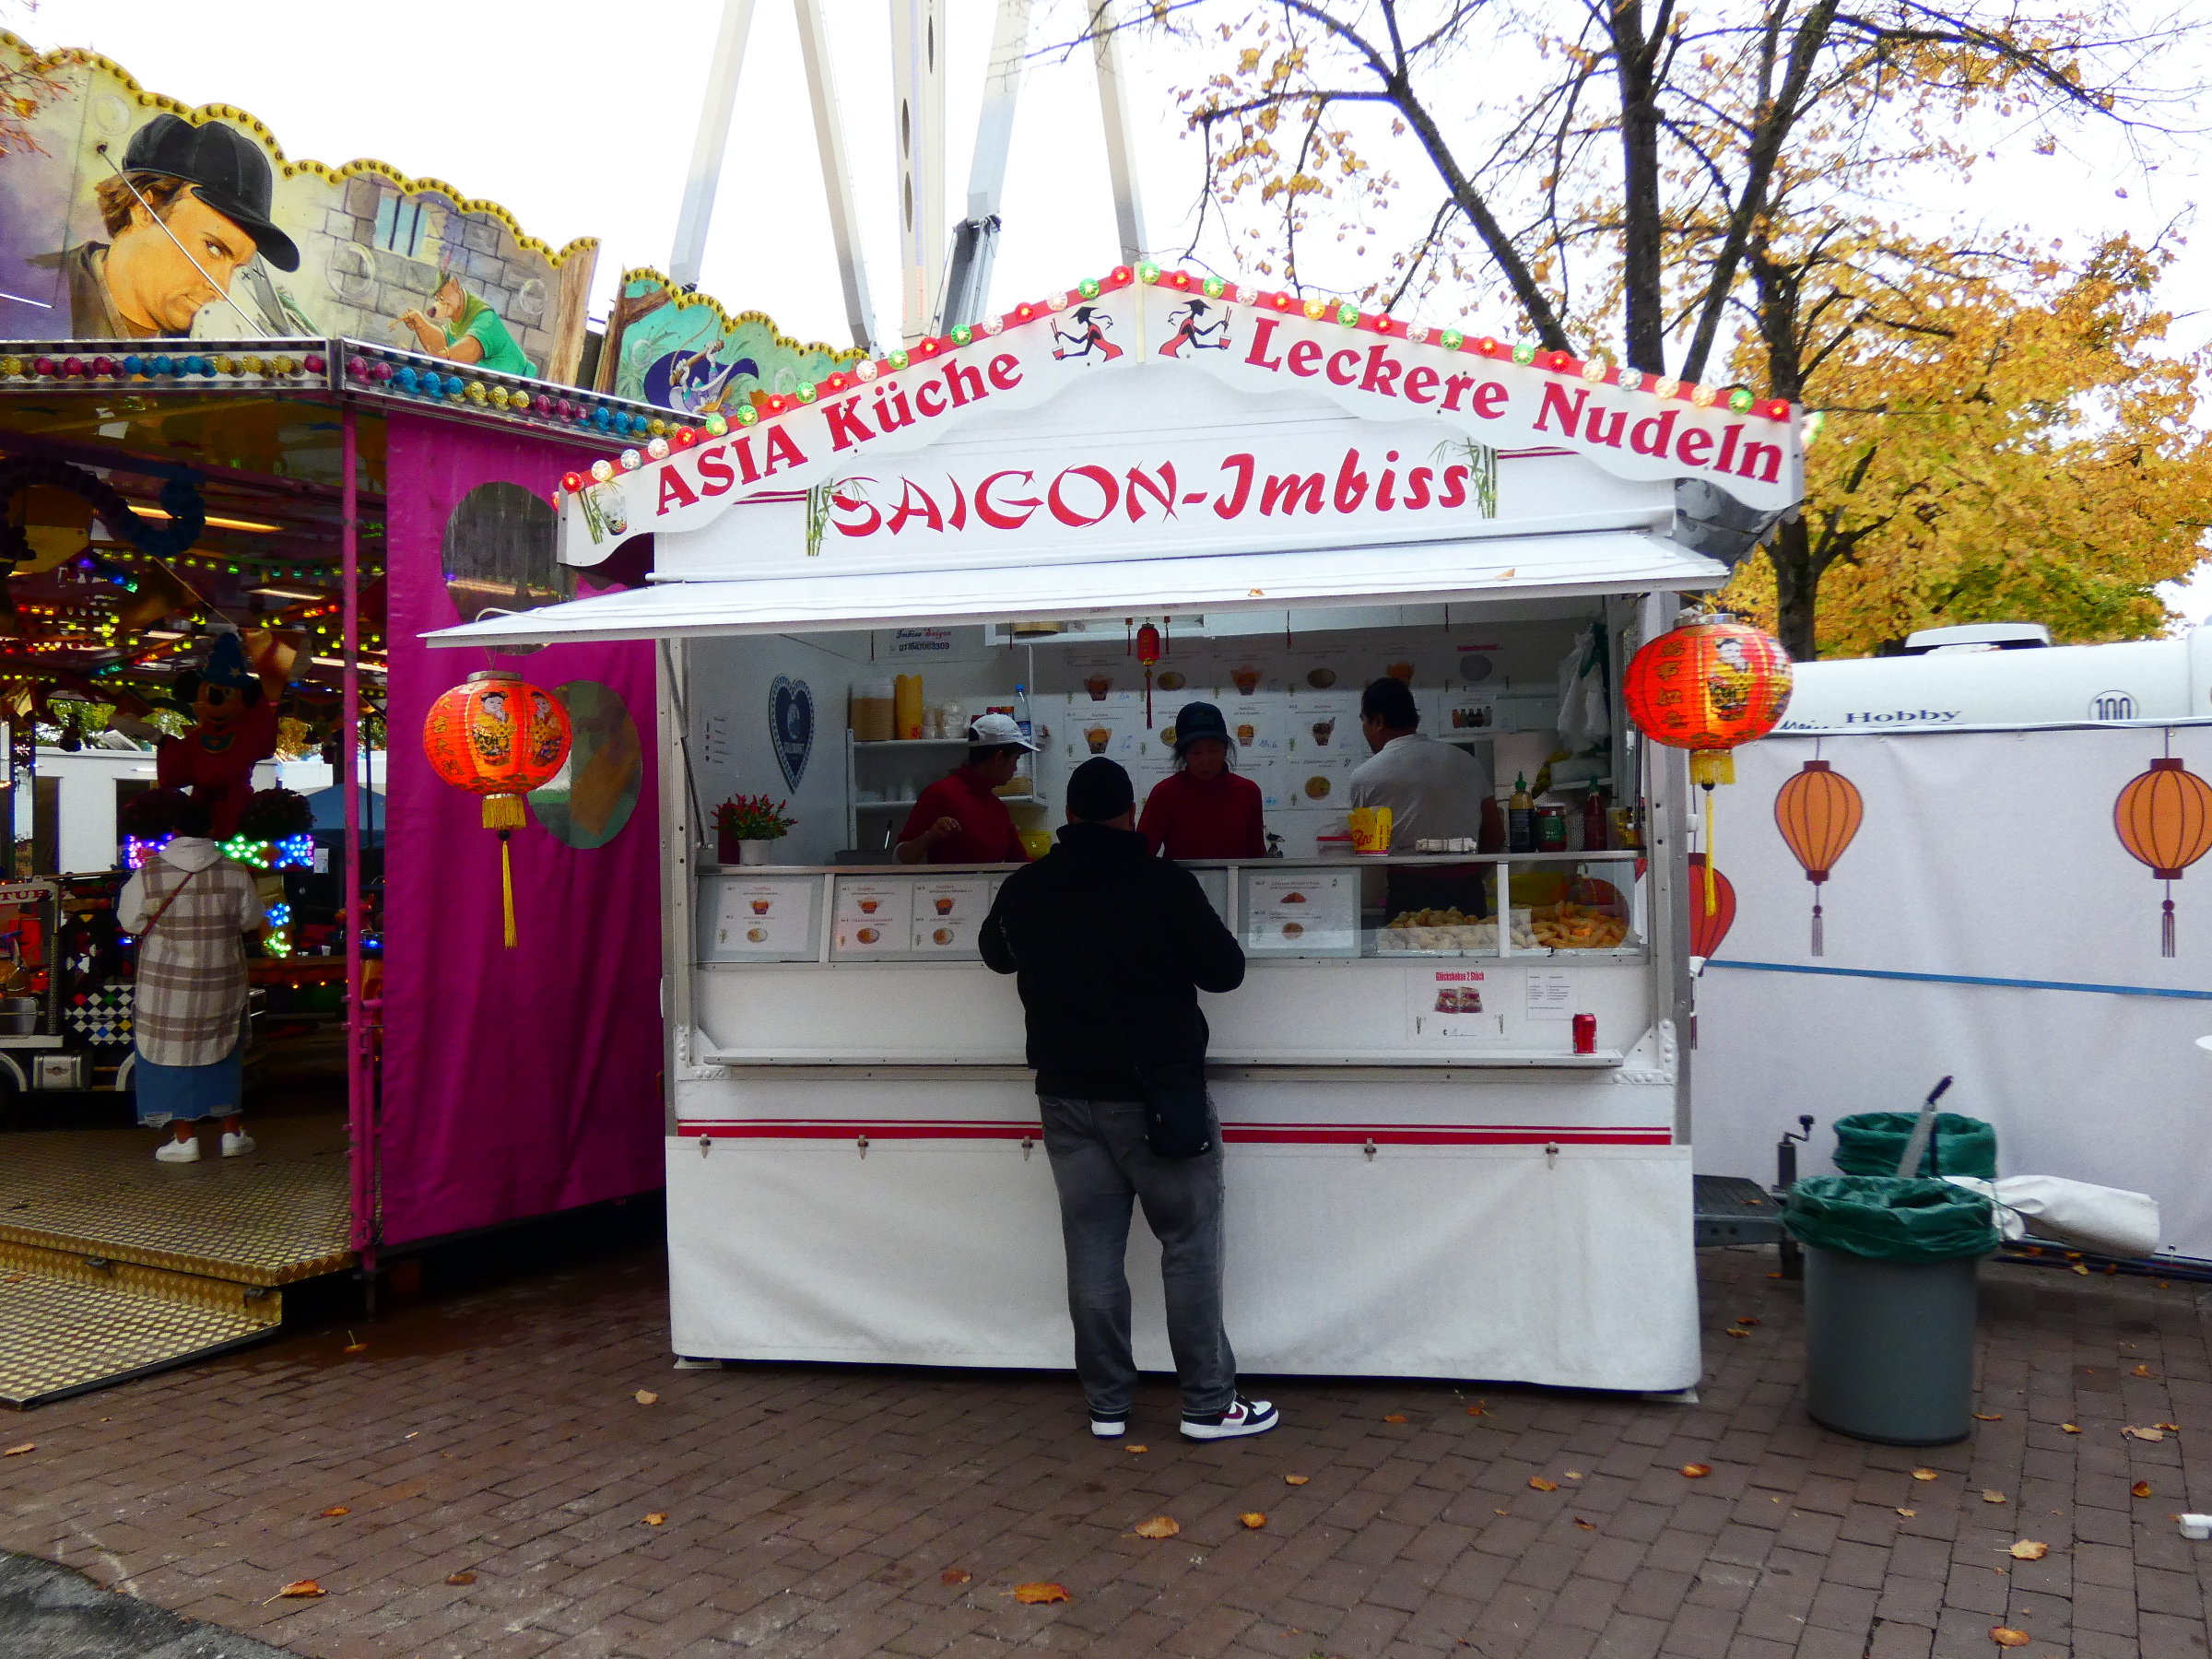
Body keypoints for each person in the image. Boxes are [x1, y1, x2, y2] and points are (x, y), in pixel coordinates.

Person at [980, 757, 1277, 1443]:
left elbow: (996, 954)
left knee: (1091, 1250)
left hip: (1065, 1097)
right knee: (1188, 1246)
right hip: (1157, 1099)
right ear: (1131, 813)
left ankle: (1107, 1405)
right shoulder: (1163, 883)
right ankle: (1208, 1405)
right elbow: (1225, 971)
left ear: (1068, 816)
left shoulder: (1027, 886)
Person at [44, 113, 301, 340]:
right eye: (213, 248)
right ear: (143, 209)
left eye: (236, 268)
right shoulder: (35, 289)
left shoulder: (207, 362)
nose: (221, 290)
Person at [120, 797, 265, 1164]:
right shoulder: (236, 872)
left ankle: (184, 1140)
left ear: (175, 831)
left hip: (165, 988)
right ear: (211, 830)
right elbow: (251, 920)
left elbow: (130, 922)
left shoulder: (148, 873)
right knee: (223, 1050)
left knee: (169, 1056)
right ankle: (231, 1134)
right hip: (221, 983)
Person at [1347, 676, 1495, 915]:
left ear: (1378, 721)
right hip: (1467, 892)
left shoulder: (1365, 776)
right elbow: (1495, 833)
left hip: (1407, 895)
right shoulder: (1467, 762)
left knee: (1406, 940)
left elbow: (1369, 855)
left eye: (1363, 720)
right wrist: (1472, 875)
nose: (1364, 729)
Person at [895, 713, 1034, 865]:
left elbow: (1021, 862)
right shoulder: (940, 794)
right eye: (1016, 758)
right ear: (999, 758)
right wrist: (930, 836)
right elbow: (900, 860)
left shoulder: (998, 809)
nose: (1015, 768)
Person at [1137, 701, 1266, 860]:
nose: (1205, 761)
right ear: (1183, 754)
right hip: (1180, 877)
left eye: (1213, 750)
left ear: (1226, 749)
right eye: (1196, 752)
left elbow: (1256, 856)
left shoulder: (1248, 792)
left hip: (1234, 876)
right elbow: (1141, 856)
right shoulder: (1165, 793)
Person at [398, 271, 535, 377]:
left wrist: (433, 359)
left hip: (517, 385)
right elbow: (444, 342)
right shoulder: (458, 316)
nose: (438, 303)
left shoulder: (486, 317)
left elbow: (470, 350)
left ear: (454, 285)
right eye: (437, 298)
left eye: (442, 297)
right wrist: (420, 324)